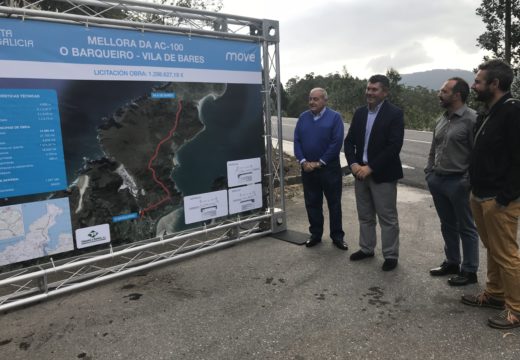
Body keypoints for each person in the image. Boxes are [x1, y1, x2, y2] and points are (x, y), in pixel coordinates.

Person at [460, 59, 520, 330]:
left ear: (494, 84)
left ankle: (516, 310)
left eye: (478, 81)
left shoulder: (512, 111)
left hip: (499, 199)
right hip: (480, 194)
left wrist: (504, 198)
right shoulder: (489, 112)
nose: (473, 86)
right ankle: (495, 294)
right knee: (493, 249)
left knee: (506, 254)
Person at [344, 75, 404, 271]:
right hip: (360, 173)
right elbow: (349, 141)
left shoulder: (395, 114)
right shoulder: (360, 113)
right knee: (365, 215)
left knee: (387, 217)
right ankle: (367, 248)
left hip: (382, 174)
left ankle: (391, 255)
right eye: (368, 89)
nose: (369, 92)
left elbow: (394, 146)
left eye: (374, 89)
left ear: (385, 92)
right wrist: (353, 164)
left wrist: (371, 167)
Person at [425, 78, 480, 286]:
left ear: (457, 95)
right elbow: (433, 149)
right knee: (447, 225)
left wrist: (466, 181)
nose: (440, 94)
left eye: (444, 91)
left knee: (466, 227)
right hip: (438, 180)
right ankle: (452, 262)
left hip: (459, 183)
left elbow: (477, 155)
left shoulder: (472, 119)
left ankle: (470, 270)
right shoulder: (442, 119)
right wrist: (429, 172)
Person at [294, 87, 347, 250]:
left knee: (334, 204)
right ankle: (315, 234)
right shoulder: (303, 118)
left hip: (329, 170)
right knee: (312, 203)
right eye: (310, 99)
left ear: (325, 100)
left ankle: (337, 237)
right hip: (308, 170)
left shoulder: (335, 118)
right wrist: (303, 161)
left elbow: (336, 143)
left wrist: (320, 162)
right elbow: (297, 141)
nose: (311, 102)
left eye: (316, 99)